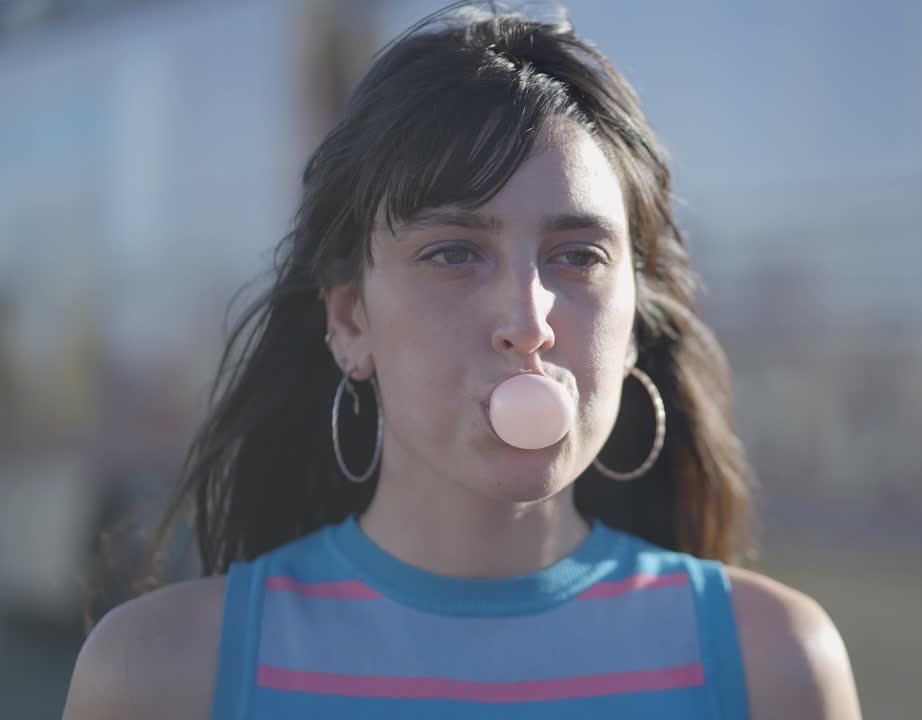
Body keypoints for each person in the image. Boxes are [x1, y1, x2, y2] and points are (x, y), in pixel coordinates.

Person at [63, 3, 860, 718]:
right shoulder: (159, 674)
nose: (527, 320)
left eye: (578, 257)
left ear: (635, 325)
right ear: (350, 321)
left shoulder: (776, 666)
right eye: (452, 253)